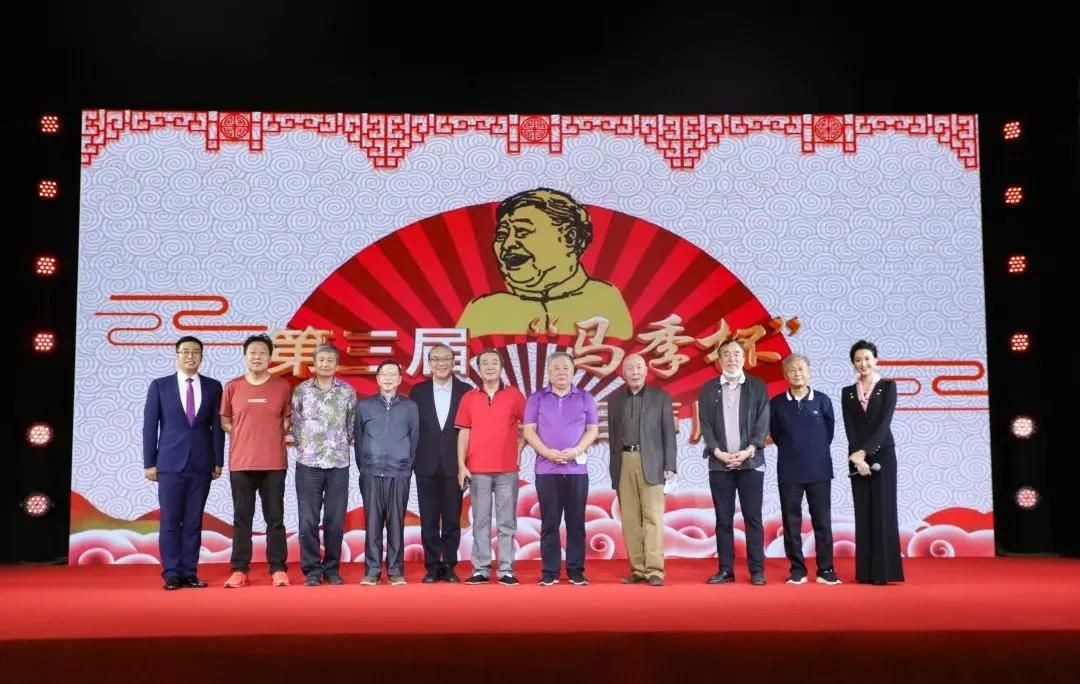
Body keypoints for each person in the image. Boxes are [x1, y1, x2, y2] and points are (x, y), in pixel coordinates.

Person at [457, 188, 633, 338]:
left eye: (523, 231)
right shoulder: (482, 310)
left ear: (569, 238)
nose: (508, 244)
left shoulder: (605, 299)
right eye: (502, 235)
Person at [142, 336, 225, 590]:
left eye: (195, 352)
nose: (190, 356)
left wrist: (218, 460)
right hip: (169, 464)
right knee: (170, 520)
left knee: (193, 521)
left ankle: (189, 572)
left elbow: (217, 428)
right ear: (176, 355)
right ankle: (171, 573)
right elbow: (150, 426)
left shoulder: (213, 387)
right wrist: (149, 462)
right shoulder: (160, 386)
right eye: (185, 352)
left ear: (202, 356)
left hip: (202, 463)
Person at [221, 334, 293, 588]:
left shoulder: (282, 386)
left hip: (274, 463)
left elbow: (287, 420)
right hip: (242, 463)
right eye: (252, 352)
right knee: (242, 518)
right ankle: (239, 570)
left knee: (275, 518)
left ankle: (278, 569)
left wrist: (269, 435)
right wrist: (244, 434)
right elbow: (225, 420)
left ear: (270, 357)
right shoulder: (233, 387)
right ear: (244, 357)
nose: (257, 357)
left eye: (263, 352)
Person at [523, 352, 600, 586]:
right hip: (546, 470)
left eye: (566, 368)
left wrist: (576, 450)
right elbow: (529, 431)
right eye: (556, 368)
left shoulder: (585, 397)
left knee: (576, 523)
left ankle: (576, 570)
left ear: (573, 371)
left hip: (577, 471)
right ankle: (550, 571)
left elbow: (592, 430)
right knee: (550, 523)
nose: (561, 372)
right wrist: (547, 453)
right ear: (548, 372)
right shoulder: (537, 398)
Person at [698, 339, 770, 585]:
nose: (732, 358)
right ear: (719, 360)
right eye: (726, 354)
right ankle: (725, 570)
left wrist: (749, 450)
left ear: (744, 357)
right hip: (720, 465)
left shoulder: (757, 387)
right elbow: (705, 423)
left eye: (736, 353)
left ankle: (757, 570)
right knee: (723, 519)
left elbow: (763, 421)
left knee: (753, 518)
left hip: (751, 463)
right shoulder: (709, 388)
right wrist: (717, 452)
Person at [455, 349, 526, 585]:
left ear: (501, 367)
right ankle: (481, 569)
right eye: (484, 363)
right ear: (478, 369)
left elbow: (529, 426)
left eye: (494, 362)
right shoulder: (469, 397)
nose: (489, 367)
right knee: (480, 521)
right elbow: (464, 432)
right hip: (478, 470)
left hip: (507, 470)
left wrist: (519, 448)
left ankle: (506, 570)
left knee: (506, 521)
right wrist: (461, 465)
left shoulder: (514, 395)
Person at [768, 354, 841, 585]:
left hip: (819, 470)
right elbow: (776, 435)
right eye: (792, 370)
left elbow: (828, 433)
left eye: (801, 369)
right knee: (791, 523)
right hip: (789, 471)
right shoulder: (777, 404)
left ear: (809, 372)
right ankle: (797, 570)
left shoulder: (822, 400)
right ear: (785, 375)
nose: (797, 373)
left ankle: (825, 570)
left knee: (822, 521)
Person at [606, 353, 676, 586]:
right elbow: (613, 437)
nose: (635, 372)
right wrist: (613, 466)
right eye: (630, 368)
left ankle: (655, 569)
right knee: (629, 518)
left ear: (646, 371)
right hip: (624, 461)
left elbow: (669, 433)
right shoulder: (615, 399)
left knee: (653, 517)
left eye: (638, 367)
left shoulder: (661, 397)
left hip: (653, 462)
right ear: (623, 373)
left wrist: (670, 465)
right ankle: (637, 568)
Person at [291, 343, 357, 586]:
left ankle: (331, 569)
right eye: (321, 360)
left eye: (330, 360)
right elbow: (296, 424)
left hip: (338, 464)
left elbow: (351, 426)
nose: (325, 364)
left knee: (335, 520)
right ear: (314, 363)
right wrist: (307, 448)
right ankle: (312, 570)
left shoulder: (347, 392)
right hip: (308, 464)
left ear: (336, 364)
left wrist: (337, 445)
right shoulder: (301, 391)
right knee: (308, 520)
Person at [841, 340, 904, 585]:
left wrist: (865, 452)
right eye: (858, 360)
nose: (863, 363)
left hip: (883, 453)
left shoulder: (888, 387)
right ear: (853, 363)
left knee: (883, 509)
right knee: (863, 510)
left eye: (867, 358)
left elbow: (884, 423)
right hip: (856, 458)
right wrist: (857, 456)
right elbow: (850, 427)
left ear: (876, 360)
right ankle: (865, 572)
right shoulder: (848, 391)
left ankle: (884, 572)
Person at [354, 359, 420, 586]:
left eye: (393, 374)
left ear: (400, 379)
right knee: (372, 523)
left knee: (396, 523)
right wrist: (365, 468)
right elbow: (358, 440)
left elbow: (414, 440)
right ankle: (372, 571)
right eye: (384, 374)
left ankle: (395, 571)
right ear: (378, 379)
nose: (389, 378)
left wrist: (406, 467)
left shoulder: (410, 407)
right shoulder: (364, 406)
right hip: (371, 472)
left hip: (399, 473)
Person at [411, 343, 471, 583]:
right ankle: (433, 565)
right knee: (428, 518)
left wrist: (466, 463)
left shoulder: (466, 391)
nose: (441, 363)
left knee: (452, 518)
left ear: (453, 361)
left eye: (446, 358)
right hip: (425, 463)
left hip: (454, 465)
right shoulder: (418, 392)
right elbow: (412, 429)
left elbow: (470, 430)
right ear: (429, 363)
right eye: (436, 359)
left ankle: (449, 564)